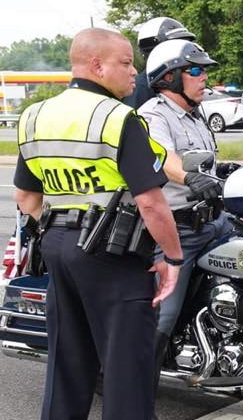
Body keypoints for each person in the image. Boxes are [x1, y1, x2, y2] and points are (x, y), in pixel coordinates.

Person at [13, 28, 182, 420]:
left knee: (66, 368)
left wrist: (63, 229)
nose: (133, 73)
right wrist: (172, 259)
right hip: (113, 254)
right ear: (96, 65)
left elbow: (26, 199)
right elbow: (151, 203)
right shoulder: (119, 118)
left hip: (57, 246)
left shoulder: (34, 116)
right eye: (125, 63)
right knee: (126, 374)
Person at [137, 39, 234, 396]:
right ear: (169, 78)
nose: (203, 76)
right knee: (163, 313)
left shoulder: (198, 114)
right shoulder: (153, 115)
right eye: (195, 70)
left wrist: (221, 169)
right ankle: (139, 397)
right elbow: (163, 158)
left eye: (204, 69)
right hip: (177, 231)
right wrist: (189, 177)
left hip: (215, 223)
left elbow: (202, 161)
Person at [124, 17, 196, 108]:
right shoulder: (141, 88)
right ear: (154, 50)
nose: (186, 50)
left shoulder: (181, 80)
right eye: (177, 46)